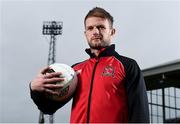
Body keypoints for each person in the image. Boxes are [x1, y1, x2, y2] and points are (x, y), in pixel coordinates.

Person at [30, 7, 149, 123]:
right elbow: (48, 108)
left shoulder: (127, 65)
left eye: (101, 27)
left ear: (112, 32)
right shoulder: (74, 72)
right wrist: (34, 89)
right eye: (90, 28)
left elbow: (140, 114)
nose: (96, 31)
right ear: (85, 33)